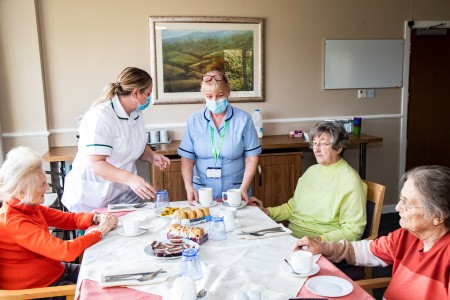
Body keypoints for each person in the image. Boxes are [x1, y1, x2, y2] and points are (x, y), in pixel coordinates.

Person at [294, 165, 450, 300]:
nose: (397, 208)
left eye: (407, 204)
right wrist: (322, 247)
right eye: (401, 199)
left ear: (437, 216)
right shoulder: (406, 236)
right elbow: (365, 251)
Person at [0, 147, 118, 290]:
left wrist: (95, 217)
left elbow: (69, 219)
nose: (47, 187)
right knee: (109, 287)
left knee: (113, 273)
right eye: (42, 184)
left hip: (56, 273)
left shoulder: (27, 206)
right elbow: (66, 251)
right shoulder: (14, 222)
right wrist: (100, 232)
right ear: (23, 190)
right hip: (42, 290)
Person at [62, 67, 170, 212]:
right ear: (136, 93)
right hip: (94, 197)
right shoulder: (101, 116)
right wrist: (130, 179)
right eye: (148, 94)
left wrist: (152, 156)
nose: (149, 99)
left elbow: (135, 144)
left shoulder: (136, 114)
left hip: (123, 195)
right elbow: (96, 164)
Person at [251, 122, 367, 241]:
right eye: (314, 143)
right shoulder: (311, 171)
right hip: (290, 237)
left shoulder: (349, 180)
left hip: (319, 245)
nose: (316, 149)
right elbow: (293, 208)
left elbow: (353, 231)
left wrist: (318, 240)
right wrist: (267, 211)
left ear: (338, 148)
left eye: (322, 143)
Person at [178, 70, 261, 204]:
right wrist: (189, 187)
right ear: (203, 95)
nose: (214, 101)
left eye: (220, 95)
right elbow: (187, 159)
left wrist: (243, 188)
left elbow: (251, 158)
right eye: (209, 96)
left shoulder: (243, 119)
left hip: (236, 192)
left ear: (228, 92)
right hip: (202, 193)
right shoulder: (194, 120)